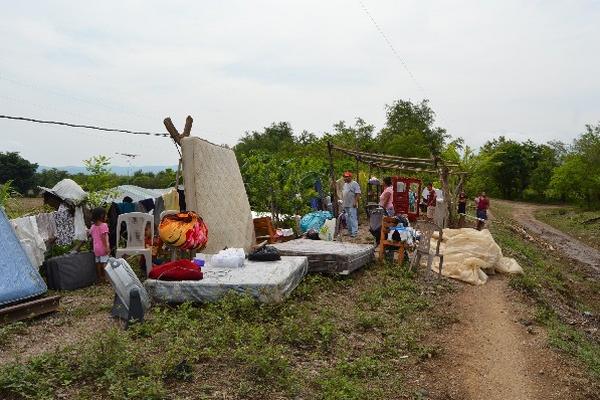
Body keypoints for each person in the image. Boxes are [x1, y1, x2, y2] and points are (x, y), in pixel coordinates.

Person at [89, 207, 110, 283]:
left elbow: (90, 235)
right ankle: (106, 278)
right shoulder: (104, 225)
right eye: (106, 215)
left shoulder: (93, 226)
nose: (106, 216)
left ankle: (100, 277)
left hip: (96, 248)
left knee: (98, 262)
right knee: (104, 262)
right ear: (102, 216)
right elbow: (104, 237)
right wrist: (106, 247)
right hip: (102, 247)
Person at [342, 171, 361, 237]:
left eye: (347, 177)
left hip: (352, 204)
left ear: (350, 177)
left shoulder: (354, 183)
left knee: (353, 217)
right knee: (347, 218)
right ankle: (349, 231)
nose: (345, 178)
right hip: (346, 204)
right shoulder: (345, 184)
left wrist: (355, 202)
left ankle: (354, 232)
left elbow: (358, 193)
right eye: (344, 177)